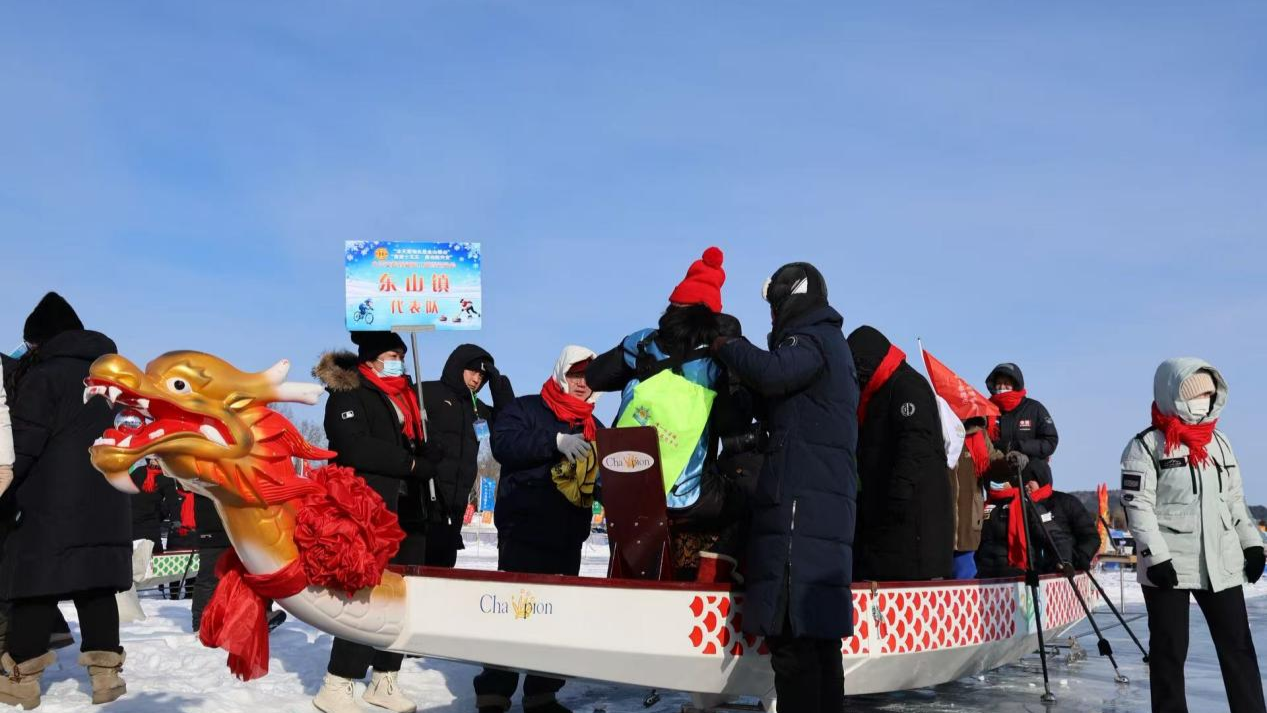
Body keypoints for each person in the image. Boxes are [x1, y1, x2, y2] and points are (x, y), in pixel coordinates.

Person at [709, 263, 856, 713]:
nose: (772, 317)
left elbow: (774, 373)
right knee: (819, 642)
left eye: (774, 305)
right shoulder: (830, 344)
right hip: (821, 507)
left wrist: (728, 346)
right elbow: (780, 398)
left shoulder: (810, 338)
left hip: (800, 509)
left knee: (794, 641)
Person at [585, 247, 754, 579]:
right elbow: (733, 424)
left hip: (624, 482)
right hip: (686, 495)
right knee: (749, 499)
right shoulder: (717, 361)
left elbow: (595, 377)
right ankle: (715, 576)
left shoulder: (642, 344)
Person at [0, 293, 129, 708]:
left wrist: (5, 483)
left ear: (40, 339)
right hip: (107, 496)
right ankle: (106, 677)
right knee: (96, 585)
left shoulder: (44, 375)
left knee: (36, 587)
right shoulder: (112, 381)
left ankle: (21, 678)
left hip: (50, 502)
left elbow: (23, 444)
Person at [1120, 358, 1265, 713]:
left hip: (1221, 561)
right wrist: (1155, 557)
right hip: (1169, 564)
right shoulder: (1147, 446)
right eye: (1196, 393)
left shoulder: (1220, 442)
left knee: (1238, 647)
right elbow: (1138, 506)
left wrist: (1252, 544)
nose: (1205, 400)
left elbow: (1234, 500)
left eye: (1209, 394)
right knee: (1169, 651)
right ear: (1172, 394)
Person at [311, 331, 439, 713]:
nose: (399, 361)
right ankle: (338, 682)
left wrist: (427, 452)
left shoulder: (408, 396)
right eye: (391, 354)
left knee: (401, 596)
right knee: (366, 595)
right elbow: (353, 446)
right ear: (370, 358)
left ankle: (386, 677)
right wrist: (411, 463)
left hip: (409, 507)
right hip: (368, 508)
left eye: (401, 354)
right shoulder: (349, 392)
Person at [473, 346, 603, 713]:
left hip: (568, 534)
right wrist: (554, 442)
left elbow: (605, 472)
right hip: (523, 528)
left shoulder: (594, 426)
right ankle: (494, 691)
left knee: (557, 620)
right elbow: (503, 444)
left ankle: (542, 693)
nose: (581, 383)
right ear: (561, 373)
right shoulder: (527, 408)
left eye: (588, 377)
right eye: (575, 375)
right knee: (512, 614)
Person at [847, 326, 954, 582]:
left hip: (913, 524)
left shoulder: (907, 386)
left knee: (911, 591)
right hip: (887, 524)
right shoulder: (876, 393)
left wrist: (896, 499)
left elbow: (915, 444)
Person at [398, 344, 513, 568]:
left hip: (456, 505)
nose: (477, 379)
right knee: (413, 571)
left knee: (443, 571)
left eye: (482, 376)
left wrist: (499, 386)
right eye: (473, 371)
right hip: (422, 499)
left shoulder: (478, 409)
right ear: (458, 367)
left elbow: (507, 421)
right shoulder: (426, 392)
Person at [975, 452, 1100, 579]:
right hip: (1001, 571)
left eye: (1030, 480)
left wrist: (1079, 557)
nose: (1026, 485)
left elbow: (1079, 536)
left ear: (1041, 479)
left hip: (1056, 571)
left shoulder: (1063, 502)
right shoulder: (1006, 505)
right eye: (1023, 481)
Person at [985, 363, 1058, 484]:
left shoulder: (1035, 409)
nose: (1002, 387)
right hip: (1000, 481)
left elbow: (1050, 441)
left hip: (1033, 480)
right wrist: (1004, 450)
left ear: (1015, 385)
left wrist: (1019, 447)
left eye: (1006, 383)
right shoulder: (987, 411)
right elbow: (982, 443)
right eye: (999, 383)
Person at [949, 416, 1003, 578]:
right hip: (940, 519)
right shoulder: (935, 431)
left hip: (968, 518)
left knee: (965, 577)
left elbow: (994, 463)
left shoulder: (979, 434)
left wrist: (1008, 463)